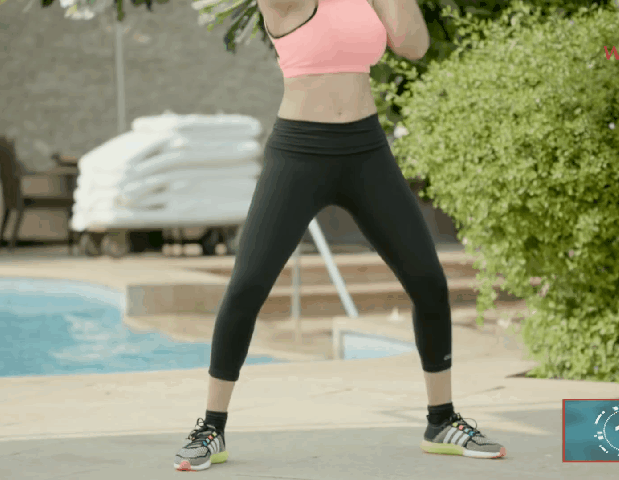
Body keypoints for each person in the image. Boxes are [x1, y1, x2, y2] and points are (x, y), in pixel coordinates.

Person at [173, 0, 506, 471]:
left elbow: (414, 45)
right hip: (299, 152)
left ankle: (441, 420)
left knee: (428, 280)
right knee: (247, 286)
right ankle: (211, 428)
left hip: (366, 150)